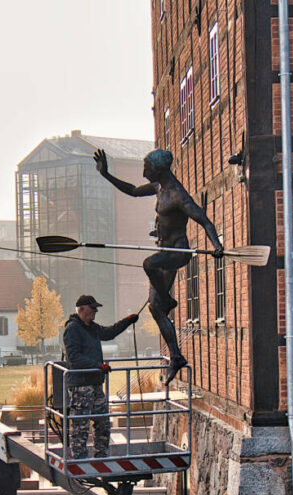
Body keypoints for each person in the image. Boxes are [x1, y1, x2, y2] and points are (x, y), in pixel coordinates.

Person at [94, 147, 224, 385]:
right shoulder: (158, 187)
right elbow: (133, 191)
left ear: (159, 170)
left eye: (147, 169)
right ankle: (176, 356)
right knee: (155, 309)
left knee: (148, 264)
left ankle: (166, 298)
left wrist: (217, 245)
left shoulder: (177, 195)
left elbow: (204, 220)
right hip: (165, 250)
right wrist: (106, 175)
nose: (144, 174)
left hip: (178, 252)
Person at [62, 294, 138, 459]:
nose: (95, 311)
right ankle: (79, 458)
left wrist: (127, 321)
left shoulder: (92, 327)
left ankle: (101, 454)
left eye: (96, 309)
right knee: (81, 425)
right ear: (81, 309)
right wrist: (97, 365)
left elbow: (109, 333)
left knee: (103, 421)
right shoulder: (73, 329)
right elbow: (74, 358)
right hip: (80, 385)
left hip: (95, 383)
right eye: (92, 308)